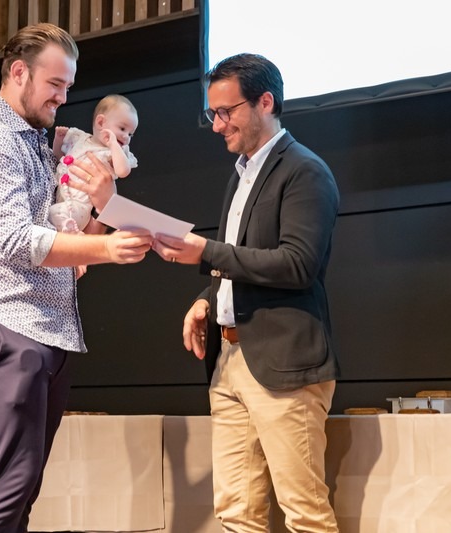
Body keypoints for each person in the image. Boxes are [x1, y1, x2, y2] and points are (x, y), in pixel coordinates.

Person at [0, 23, 151, 533]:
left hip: (46, 328)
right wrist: (108, 249)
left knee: (24, 486)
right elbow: (18, 241)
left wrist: (103, 202)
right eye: (56, 84)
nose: (64, 97)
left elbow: (74, 232)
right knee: (10, 481)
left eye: (69, 86)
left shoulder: (40, 141)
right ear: (19, 72)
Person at [153, 53, 340, 532]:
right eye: (212, 113)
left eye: (226, 112)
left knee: (305, 515)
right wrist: (207, 300)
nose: (217, 125)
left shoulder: (305, 170)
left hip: (284, 366)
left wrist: (205, 252)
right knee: (236, 514)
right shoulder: (241, 174)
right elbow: (244, 259)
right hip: (229, 362)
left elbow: (297, 264)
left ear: (265, 102)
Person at [49, 94, 139, 235]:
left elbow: (123, 171)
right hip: (61, 197)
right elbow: (58, 158)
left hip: (80, 205)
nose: (126, 137)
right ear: (101, 123)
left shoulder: (113, 153)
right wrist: (58, 140)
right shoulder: (79, 139)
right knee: (53, 213)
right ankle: (72, 233)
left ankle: (73, 234)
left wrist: (114, 144)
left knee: (53, 213)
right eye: (122, 129)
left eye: (131, 134)